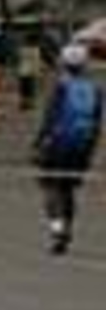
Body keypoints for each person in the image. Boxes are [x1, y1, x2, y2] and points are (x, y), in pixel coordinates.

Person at [31, 37, 100, 254]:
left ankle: (57, 229)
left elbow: (50, 118)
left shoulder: (61, 86)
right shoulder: (94, 89)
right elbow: (97, 122)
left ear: (64, 63)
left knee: (50, 186)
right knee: (68, 188)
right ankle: (68, 227)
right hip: (82, 144)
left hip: (58, 143)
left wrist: (38, 143)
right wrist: (90, 149)